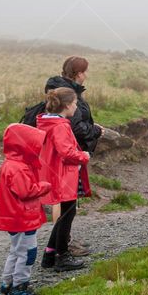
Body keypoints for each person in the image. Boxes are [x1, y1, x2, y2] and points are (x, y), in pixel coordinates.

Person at [45, 56, 102, 257]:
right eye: (84, 71)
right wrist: (94, 132)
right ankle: (61, 248)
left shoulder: (59, 89)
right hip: (68, 160)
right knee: (66, 203)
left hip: (63, 158)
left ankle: (57, 247)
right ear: (78, 73)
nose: (87, 75)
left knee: (64, 203)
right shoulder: (69, 96)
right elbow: (76, 128)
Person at [0, 123, 51, 295]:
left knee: (16, 251)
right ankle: (20, 285)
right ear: (24, 145)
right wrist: (44, 186)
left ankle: (7, 284)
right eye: (34, 145)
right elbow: (25, 191)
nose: (37, 149)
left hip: (17, 217)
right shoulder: (18, 168)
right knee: (28, 251)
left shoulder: (13, 164)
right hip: (22, 217)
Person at [37, 87, 92, 272]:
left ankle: (49, 255)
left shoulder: (47, 123)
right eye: (75, 103)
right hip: (64, 175)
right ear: (67, 105)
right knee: (67, 215)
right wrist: (83, 155)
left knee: (65, 214)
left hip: (55, 173)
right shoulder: (60, 126)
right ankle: (62, 257)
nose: (77, 106)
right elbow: (66, 152)